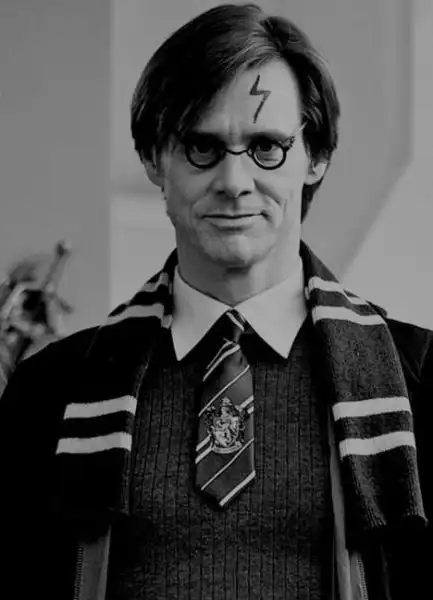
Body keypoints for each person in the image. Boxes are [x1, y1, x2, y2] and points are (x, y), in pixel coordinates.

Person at [1, 3, 432, 599]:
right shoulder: (48, 394)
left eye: (267, 147)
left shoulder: (417, 382)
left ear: (316, 156)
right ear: (154, 158)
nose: (233, 182)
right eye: (201, 147)